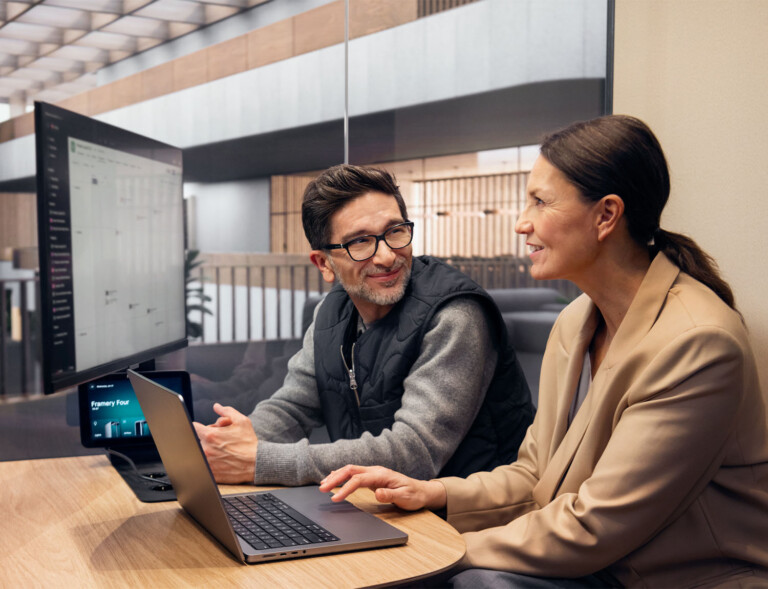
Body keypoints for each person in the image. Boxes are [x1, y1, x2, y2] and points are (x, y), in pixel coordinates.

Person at [320, 115, 768, 588]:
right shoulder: (576, 321)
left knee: (473, 582)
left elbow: (597, 526)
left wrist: (441, 550)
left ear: (606, 216)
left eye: (540, 202)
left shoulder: (697, 344)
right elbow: (537, 474)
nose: (521, 223)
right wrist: (433, 493)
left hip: (673, 578)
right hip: (606, 564)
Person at [193, 164, 534, 486]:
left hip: (468, 517)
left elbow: (414, 452)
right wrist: (230, 444)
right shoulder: (332, 311)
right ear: (324, 263)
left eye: (395, 232)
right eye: (360, 242)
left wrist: (260, 460)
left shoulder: (454, 314)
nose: (387, 256)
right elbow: (293, 406)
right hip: (378, 505)